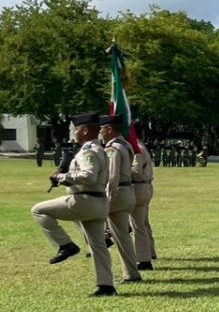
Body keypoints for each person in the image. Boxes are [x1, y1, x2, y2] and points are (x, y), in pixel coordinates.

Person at [30, 113, 116, 296]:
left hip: (83, 201)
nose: (74, 133)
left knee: (38, 210)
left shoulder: (88, 151)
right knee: (98, 246)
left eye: (76, 130)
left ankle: (66, 245)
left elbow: (88, 176)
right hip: (99, 202)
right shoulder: (99, 148)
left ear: (84, 130)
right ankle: (106, 286)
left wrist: (62, 177)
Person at [99, 115, 142, 284]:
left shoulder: (113, 148)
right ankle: (131, 274)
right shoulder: (126, 145)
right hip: (127, 192)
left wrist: (107, 198)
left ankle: (103, 238)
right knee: (123, 237)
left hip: (117, 194)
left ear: (109, 129)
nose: (100, 132)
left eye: (101, 129)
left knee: (84, 214)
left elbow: (111, 175)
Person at [131, 133, 157, 270]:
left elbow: (136, 172)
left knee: (137, 224)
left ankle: (143, 258)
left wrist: (120, 172)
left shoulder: (137, 149)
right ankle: (149, 251)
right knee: (143, 222)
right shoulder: (140, 147)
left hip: (138, 187)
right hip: (144, 187)